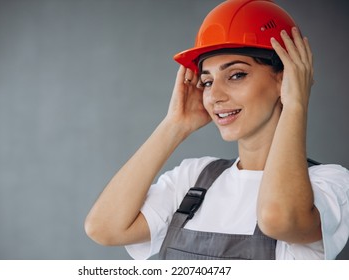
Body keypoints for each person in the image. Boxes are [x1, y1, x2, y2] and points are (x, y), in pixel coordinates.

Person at [85, 0, 349, 259]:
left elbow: (277, 218)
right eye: (207, 81)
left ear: (285, 77)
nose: (215, 96)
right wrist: (175, 125)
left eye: (236, 75)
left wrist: (296, 104)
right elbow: (104, 229)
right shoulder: (193, 179)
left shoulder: (329, 183)